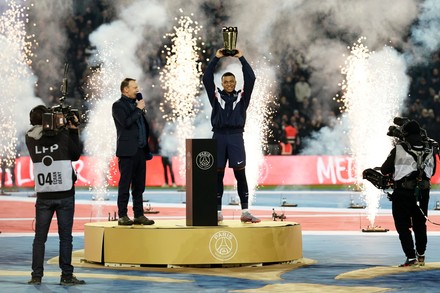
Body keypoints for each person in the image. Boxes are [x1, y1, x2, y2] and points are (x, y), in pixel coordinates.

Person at [25, 105, 85, 286]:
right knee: (65, 237)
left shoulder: (30, 138)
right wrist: (73, 130)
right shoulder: (62, 135)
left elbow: (43, 135)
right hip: (64, 191)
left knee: (39, 238)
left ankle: (36, 275)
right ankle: (66, 275)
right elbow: (75, 155)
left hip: (44, 194)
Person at [202, 48, 260, 223]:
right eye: (225, 81)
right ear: (222, 83)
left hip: (235, 137)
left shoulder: (242, 98)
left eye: (231, 81)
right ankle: (217, 212)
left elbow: (251, 78)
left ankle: (245, 212)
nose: (228, 84)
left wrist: (241, 57)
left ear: (235, 82)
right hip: (218, 136)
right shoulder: (216, 96)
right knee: (217, 176)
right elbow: (206, 78)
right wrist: (216, 58)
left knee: (240, 175)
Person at [381, 120, 437, 267]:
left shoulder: (399, 148)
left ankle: (410, 257)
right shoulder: (430, 148)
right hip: (423, 192)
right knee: (420, 224)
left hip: (403, 192)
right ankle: (421, 256)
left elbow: (384, 169)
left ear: (404, 133)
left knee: (402, 225)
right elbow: (434, 172)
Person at [112, 78, 154, 226]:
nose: (137, 89)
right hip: (127, 151)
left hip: (140, 150)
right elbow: (126, 124)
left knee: (139, 185)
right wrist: (138, 109)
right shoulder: (118, 106)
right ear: (125, 90)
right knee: (125, 184)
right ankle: (122, 215)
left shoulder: (137, 105)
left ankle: (139, 214)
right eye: (134, 87)